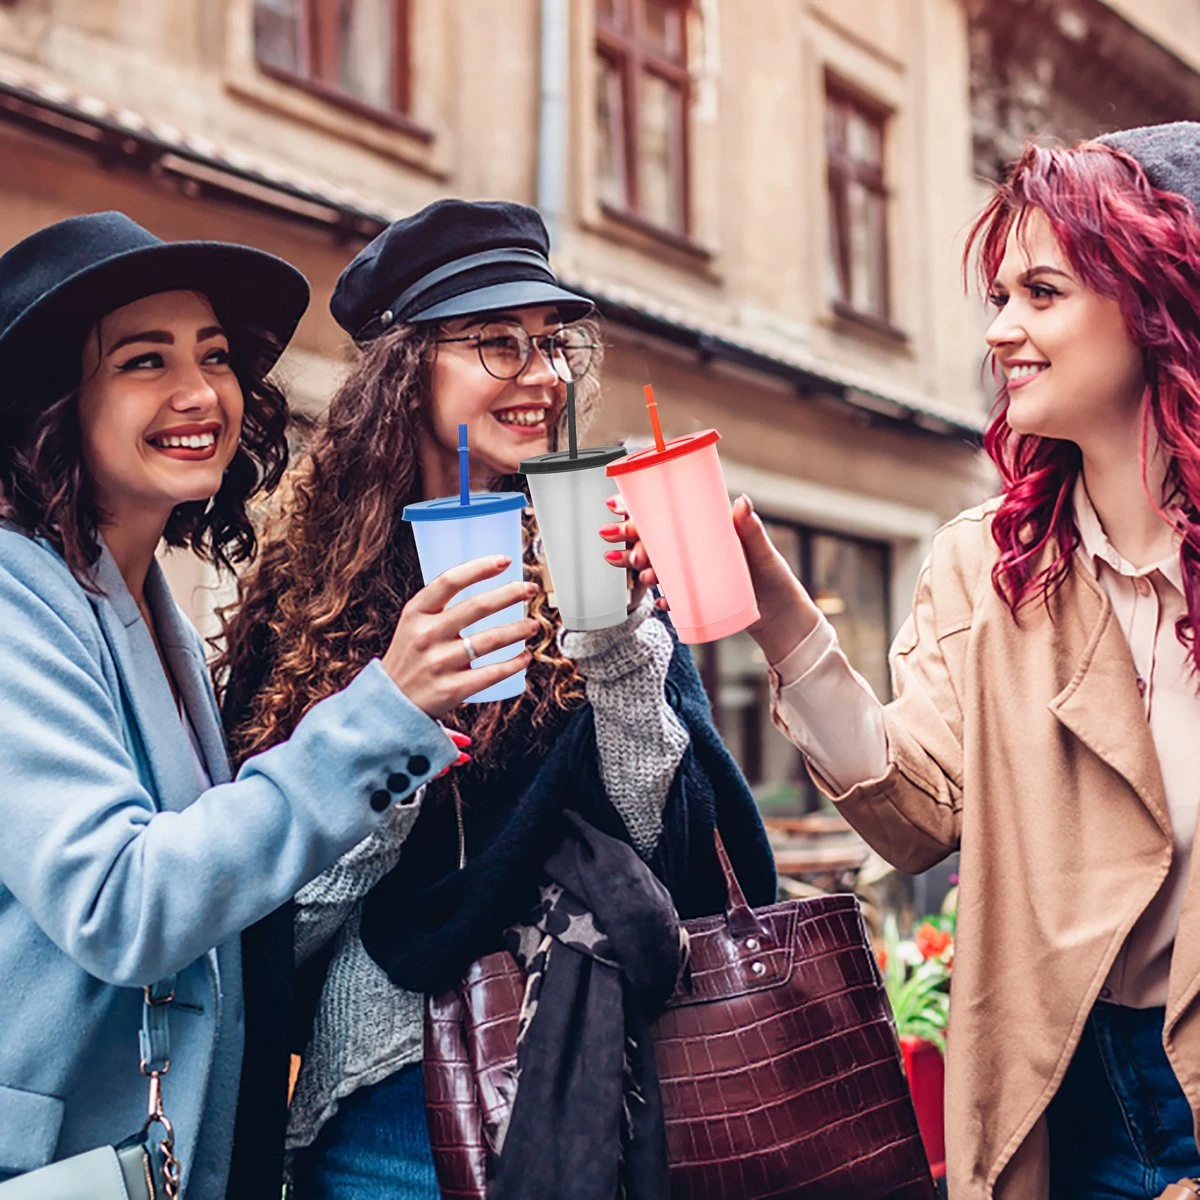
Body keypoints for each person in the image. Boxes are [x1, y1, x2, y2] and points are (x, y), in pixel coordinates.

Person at [622, 122, 1200, 1200]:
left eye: (1041, 292)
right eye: (997, 298)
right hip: (1053, 1092)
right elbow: (916, 812)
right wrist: (779, 616)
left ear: (1152, 300)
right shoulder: (989, 565)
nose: (1000, 332)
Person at [217, 198, 777, 1200]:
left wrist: (619, 657)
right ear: (406, 368)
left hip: (600, 1092)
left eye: (552, 342)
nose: (543, 373)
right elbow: (267, 915)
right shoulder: (307, 587)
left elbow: (672, 863)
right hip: (384, 1106)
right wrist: (395, 737)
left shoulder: (600, 545)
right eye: (496, 343)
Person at [0, 212, 511, 1197]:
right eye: (144, 361)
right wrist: (383, 711)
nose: (200, 394)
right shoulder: (14, 598)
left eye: (217, 356)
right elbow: (124, 901)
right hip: (53, 1164)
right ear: (53, 400)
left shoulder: (154, 620)